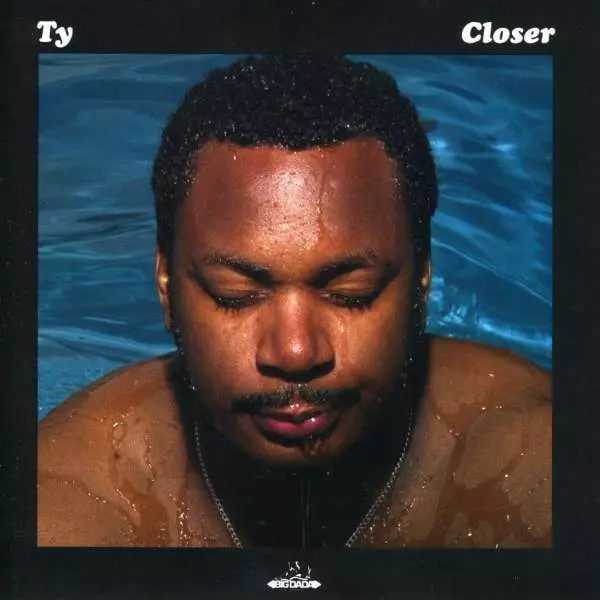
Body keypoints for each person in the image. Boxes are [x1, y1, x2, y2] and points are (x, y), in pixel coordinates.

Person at [37, 54, 551, 548]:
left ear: (423, 278)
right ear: (165, 283)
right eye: (235, 295)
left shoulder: (537, 465)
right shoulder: (62, 506)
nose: (296, 352)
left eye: (351, 294)